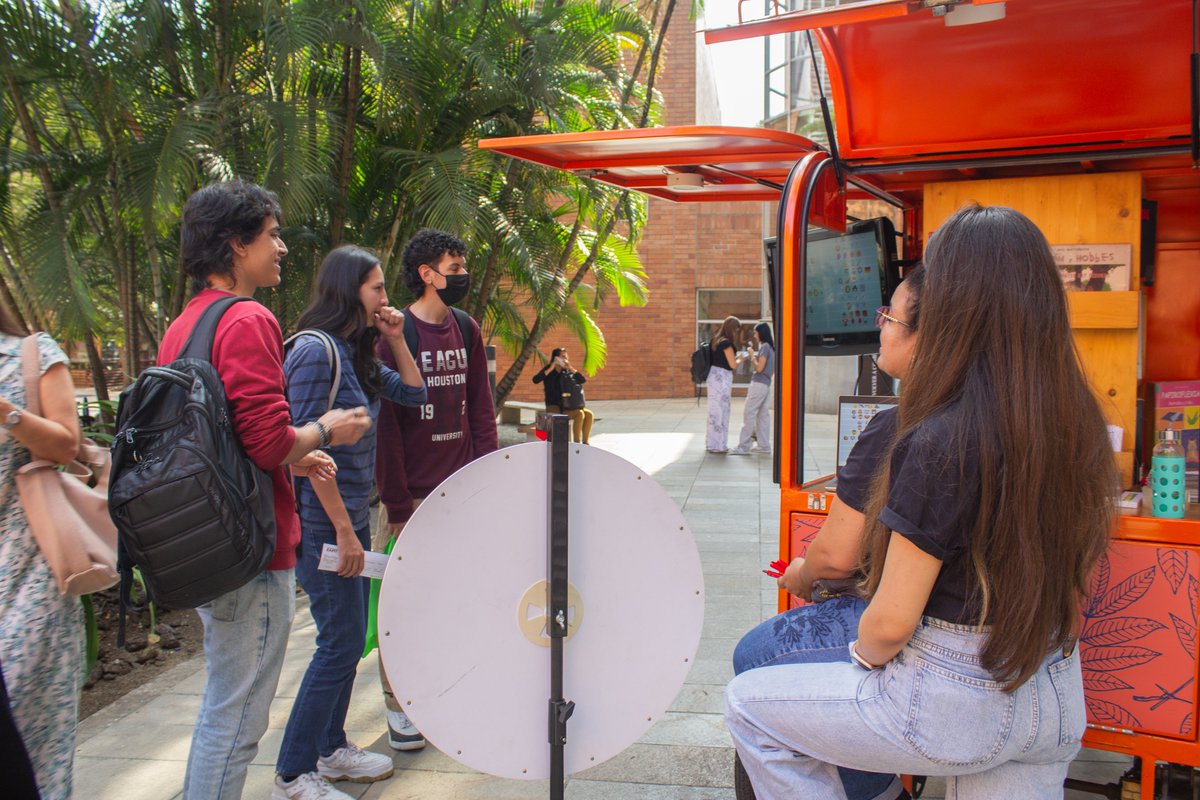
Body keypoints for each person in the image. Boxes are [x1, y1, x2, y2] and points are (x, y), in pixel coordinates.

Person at [725, 205, 1116, 798]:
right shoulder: (1077, 422)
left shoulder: (939, 438)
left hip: (953, 699)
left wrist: (856, 664)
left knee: (748, 705)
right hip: (1054, 688)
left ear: (956, 310)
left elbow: (888, 623)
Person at [161, 180, 371, 800]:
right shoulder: (248, 317)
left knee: (223, 707)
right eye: (272, 235)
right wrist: (326, 429)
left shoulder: (187, 323)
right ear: (236, 245)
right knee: (237, 720)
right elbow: (265, 440)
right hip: (249, 550)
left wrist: (294, 458)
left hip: (206, 543)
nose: (281, 248)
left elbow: (219, 436)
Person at [731, 267, 923, 800]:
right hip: (1035, 662)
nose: (881, 326)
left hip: (929, 643)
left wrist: (803, 575)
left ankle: (876, 791)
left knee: (755, 664)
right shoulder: (1053, 422)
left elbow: (839, 560)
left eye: (890, 315)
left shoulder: (906, 427)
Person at [275, 246, 426, 800]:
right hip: (323, 522)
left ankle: (331, 748)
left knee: (343, 641)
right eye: (377, 289)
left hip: (348, 519)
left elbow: (414, 392)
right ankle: (293, 772)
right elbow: (303, 450)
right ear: (347, 291)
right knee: (338, 644)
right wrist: (341, 530)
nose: (386, 299)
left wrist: (394, 337)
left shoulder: (352, 352)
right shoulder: (317, 354)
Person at [373, 228, 498, 750]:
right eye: (454, 264)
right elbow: (388, 429)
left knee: (458, 599)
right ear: (426, 273)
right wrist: (399, 503)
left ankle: (444, 694)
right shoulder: (393, 336)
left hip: (462, 492)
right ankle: (398, 706)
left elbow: (481, 406)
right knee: (403, 607)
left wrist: (492, 477)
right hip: (414, 499)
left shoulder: (465, 328)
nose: (463, 272)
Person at [0, 313, 83, 800]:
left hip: (32, 567)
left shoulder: (30, 353)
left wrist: (7, 412)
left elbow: (67, 443)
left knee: (35, 741)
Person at [730, 322, 775, 456]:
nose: (755, 336)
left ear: (761, 333)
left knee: (749, 413)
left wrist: (751, 355)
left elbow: (759, 368)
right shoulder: (772, 348)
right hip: (766, 384)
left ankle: (743, 447)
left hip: (759, 384)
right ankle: (764, 445)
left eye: (756, 333)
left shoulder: (765, 347)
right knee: (763, 415)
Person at [532, 347, 594, 443]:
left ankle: (585, 443)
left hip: (569, 406)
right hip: (555, 407)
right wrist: (552, 367)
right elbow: (535, 380)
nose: (565, 359)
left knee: (589, 414)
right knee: (579, 414)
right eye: (563, 356)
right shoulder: (549, 371)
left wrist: (571, 368)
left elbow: (582, 380)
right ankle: (577, 443)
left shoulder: (567, 371)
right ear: (556, 358)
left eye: (566, 356)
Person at [706, 316, 748, 453]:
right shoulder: (727, 344)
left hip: (713, 377)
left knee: (713, 412)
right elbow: (732, 364)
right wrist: (741, 359)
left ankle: (712, 444)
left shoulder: (715, 341)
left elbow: (722, 360)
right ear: (732, 329)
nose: (737, 332)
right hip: (722, 379)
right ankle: (719, 445)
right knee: (722, 411)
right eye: (736, 329)